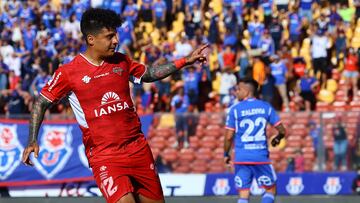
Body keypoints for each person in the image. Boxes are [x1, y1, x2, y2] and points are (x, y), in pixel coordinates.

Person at [21, 8, 208, 203]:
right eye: (110, 36)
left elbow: (149, 73)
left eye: (116, 35)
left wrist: (185, 61)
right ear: (91, 39)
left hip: (138, 150)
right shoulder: (68, 72)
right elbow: (41, 102)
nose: (116, 41)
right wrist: (32, 139)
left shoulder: (121, 61)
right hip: (105, 156)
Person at [224, 78, 286, 203]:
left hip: (241, 158)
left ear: (246, 91)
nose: (236, 92)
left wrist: (226, 154)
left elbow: (229, 137)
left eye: (239, 89)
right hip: (260, 157)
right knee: (270, 190)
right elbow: (282, 130)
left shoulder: (235, 110)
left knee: (243, 194)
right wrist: (278, 138)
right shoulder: (265, 107)